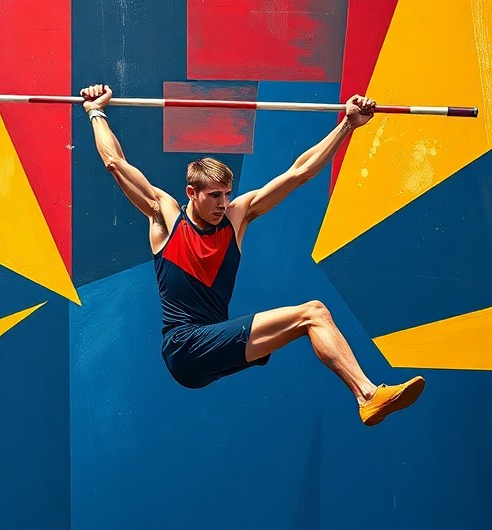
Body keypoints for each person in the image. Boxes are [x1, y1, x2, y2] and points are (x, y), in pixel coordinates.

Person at [80, 83, 425, 426]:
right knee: (314, 312)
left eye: (227, 194)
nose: (223, 203)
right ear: (191, 192)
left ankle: (368, 398)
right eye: (214, 195)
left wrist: (348, 124)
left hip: (209, 352)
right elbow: (115, 162)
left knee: (309, 321)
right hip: (183, 347)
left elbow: (299, 172)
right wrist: (96, 111)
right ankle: (367, 394)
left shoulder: (236, 217)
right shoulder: (165, 215)